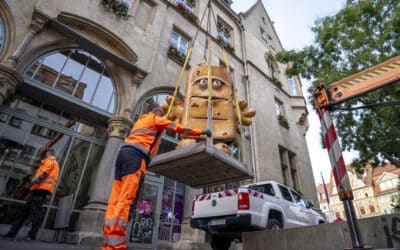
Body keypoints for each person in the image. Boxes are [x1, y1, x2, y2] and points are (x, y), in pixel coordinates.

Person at [102, 103, 211, 250]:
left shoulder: (140, 121)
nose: (161, 116)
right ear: (156, 112)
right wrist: (201, 132)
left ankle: (108, 244)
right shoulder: (155, 119)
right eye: (161, 113)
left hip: (123, 155)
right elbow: (179, 128)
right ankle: (116, 246)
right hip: (135, 159)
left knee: (115, 199)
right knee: (126, 199)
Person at [4, 148, 59, 240]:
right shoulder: (54, 162)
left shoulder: (50, 161)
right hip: (40, 190)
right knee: (24, 212)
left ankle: (31, 235)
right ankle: (12, 232)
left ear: (48, 154)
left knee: (35, 213)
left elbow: (43, 174)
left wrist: (30, 183)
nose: (42, 155)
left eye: (44, 154)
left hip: (40, 190)